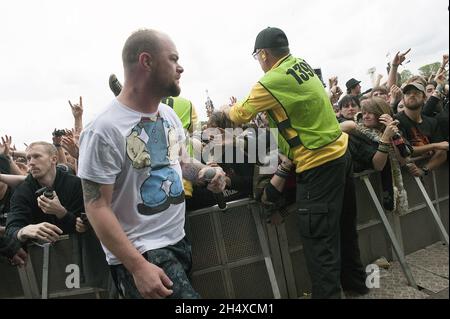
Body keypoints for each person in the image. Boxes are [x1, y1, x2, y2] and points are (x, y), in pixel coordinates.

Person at [78, 29, 226, 299]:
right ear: (146, 61)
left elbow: (179, 161)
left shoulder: (167, 114)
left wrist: (206, 173)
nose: (180, 67)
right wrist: (137, 266)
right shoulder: (103, 129)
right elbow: (96, 206)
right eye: (173, 59)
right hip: (144, 253)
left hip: (177, 240)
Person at [222, 27, 367, 298]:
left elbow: (240, 115)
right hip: (340, 155)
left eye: (257, 56)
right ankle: (356, 285)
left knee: (319, 243)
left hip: (318, 164)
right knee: (345, 229)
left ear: (264, 54)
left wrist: (223, 109)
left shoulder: (269, 81)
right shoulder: (300, 64)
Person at [5, 142, 87, 244]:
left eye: (37, 156)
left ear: (53, 159)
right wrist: (23, 231)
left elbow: (84, 225)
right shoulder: (23, 190)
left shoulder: (75, 184)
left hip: (78, 251)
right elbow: (11, 229)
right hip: (40, 254)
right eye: (28, 158)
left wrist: (61, 213)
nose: (31, 163)